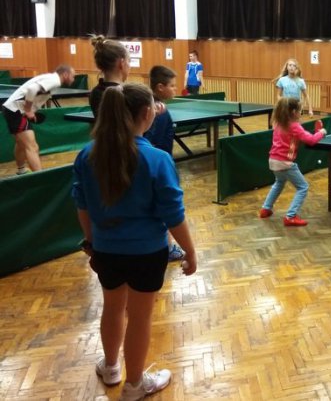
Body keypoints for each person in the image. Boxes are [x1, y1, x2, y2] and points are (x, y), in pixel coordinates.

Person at [72, 83, 197, 400]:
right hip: (147, 254)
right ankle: (134, 385)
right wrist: (190, 251)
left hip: (106, 251)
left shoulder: (87, 155)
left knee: (112, 307)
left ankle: (111, 367)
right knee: (140, 317)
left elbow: (82, 204)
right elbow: (174, 215)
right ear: (146, 113)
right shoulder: (157, 159)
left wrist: (91, 242)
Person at [259, 97, 326, 226]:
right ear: (294, 112)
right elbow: (311, 140)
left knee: (279, 183)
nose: (301, 113)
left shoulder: (278, 122)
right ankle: (290, 216)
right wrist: (321, 133)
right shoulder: (294, 126)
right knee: (303, 187)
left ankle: (265, 209)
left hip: (273, 160)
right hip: (285, 162)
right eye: (300, 111)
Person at [1, 64, 75, 174]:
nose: (73, 79)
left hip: (12, 109)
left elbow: (38, 94)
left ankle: (21, 170)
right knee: (32, 146)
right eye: (73, 76)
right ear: (65, 74)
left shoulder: (50, 78)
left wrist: (31, 110)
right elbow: (32, 89)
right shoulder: (54, 80)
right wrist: (28, 110)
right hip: (16, 110)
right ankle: (40, 177)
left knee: (21, 143)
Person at [145, 65, 185, 261]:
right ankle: (166, 248)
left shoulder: (152, 107)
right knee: (165, 207)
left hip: (157, 165)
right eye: (172, 85)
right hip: (159, 168)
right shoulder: (157, 112)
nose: (175, 89)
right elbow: (153, 142)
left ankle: (164, 246)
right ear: (160, 87)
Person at [89, 35, 130, 116]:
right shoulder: (126, 94)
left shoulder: (95, 92)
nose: (129, 66)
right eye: (129, 61)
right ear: (122, 63)